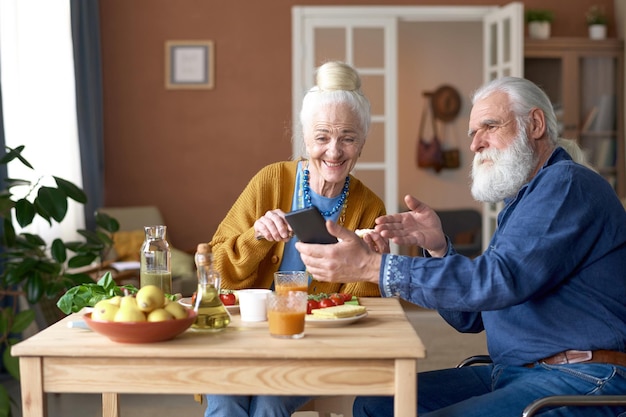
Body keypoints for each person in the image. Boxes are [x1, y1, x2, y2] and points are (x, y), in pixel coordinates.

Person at [296, 76, 626, 417]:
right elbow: (472, 317)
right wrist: (439, 249)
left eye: (490, 126)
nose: (475, 144)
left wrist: (372, 267)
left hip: (581, 376)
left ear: (536, 124)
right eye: (472, 133)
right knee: (376, 406)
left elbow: (498, 280)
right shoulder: (522, 202)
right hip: (516, 373)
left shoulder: (565, 184)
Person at [203, 61, 388, 417]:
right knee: (227, 403)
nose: (334, 151)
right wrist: (257, 235)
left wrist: (370, 266)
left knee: (270, 404)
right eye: (322, 137)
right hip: (245, 339)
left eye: (348, 138)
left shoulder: (369, 206)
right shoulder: (270, 181)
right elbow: (216, 270)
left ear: (362, 143)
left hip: (315, 349)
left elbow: (362, 313)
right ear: (306, 138)